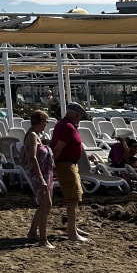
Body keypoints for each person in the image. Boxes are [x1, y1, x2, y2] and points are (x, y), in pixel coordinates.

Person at [51, 102, 88, 243]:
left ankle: (73, 227)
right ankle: (72, 232)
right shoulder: (67, 127)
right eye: (80, 116)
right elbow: (59, 148)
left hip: (69, 163)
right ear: (77, 115)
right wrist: (52, 164)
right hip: (66, 164)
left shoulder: (65, 125)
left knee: (75, 197)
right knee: (73, 198)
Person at [22, 110, 55, 248]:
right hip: (39, 174)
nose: (46, 125)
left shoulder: (35, 135)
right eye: (45, 122)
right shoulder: (32, 135)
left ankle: (32, 232)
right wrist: (41, 178)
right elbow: (33, 157)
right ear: (40, 122)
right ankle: (43, 239)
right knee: (46, 205)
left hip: (45, 173)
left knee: (44, 205)